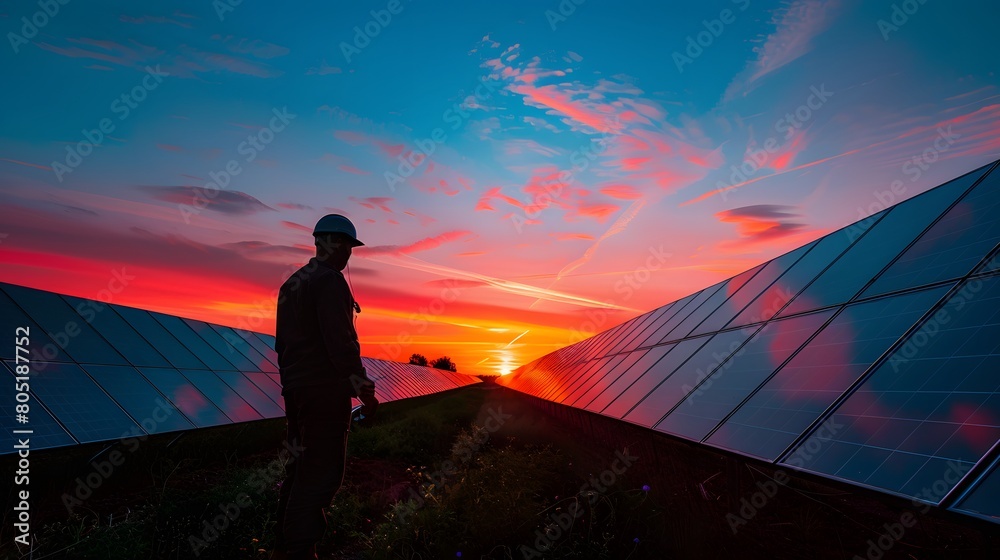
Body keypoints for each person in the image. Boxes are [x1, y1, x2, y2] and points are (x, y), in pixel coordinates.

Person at [273, 213, 378, 560]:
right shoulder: (330, 282)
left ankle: (283, 544)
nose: (348, 254)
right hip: (324, 393)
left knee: (298, 467)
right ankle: (301, 551)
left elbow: (282, 345)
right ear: (332, 243)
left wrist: (293, 384)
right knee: (320, 473)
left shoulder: (292, 283)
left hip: (296, 391)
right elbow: (341, 344)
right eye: (346, 245)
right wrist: (363, 388)